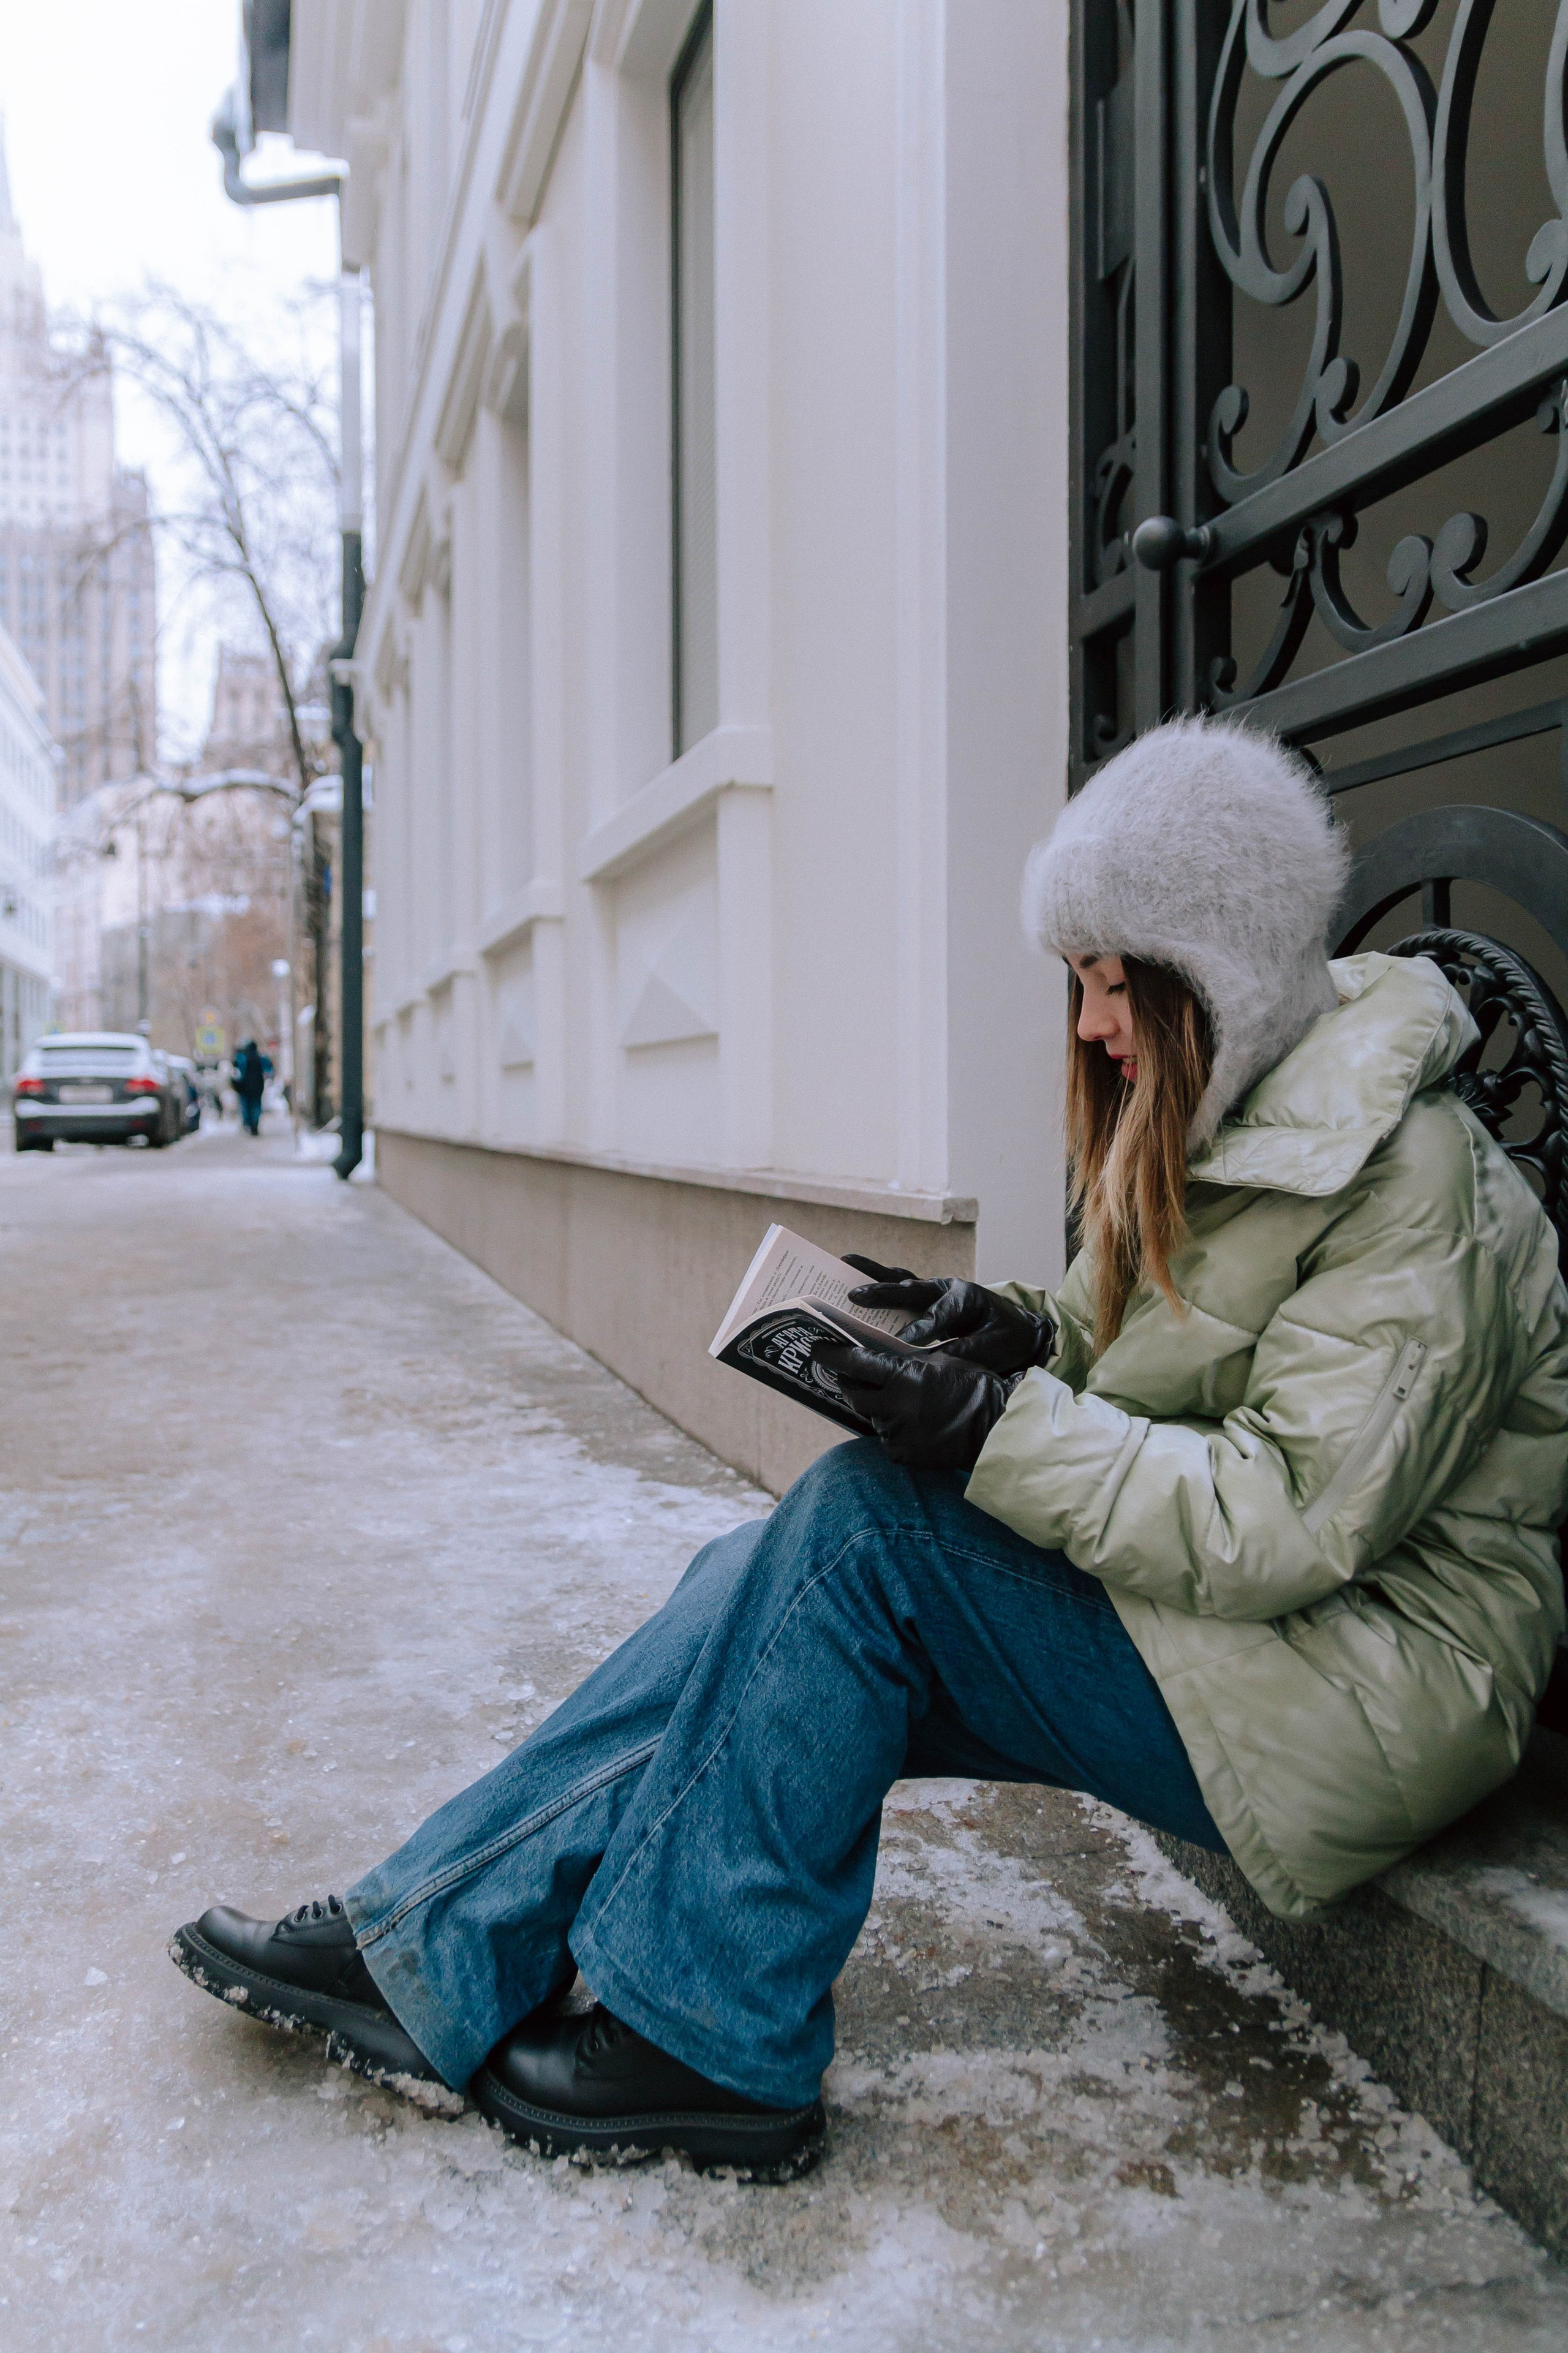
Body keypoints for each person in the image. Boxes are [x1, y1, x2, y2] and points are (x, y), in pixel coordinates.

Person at [171, 717, 1568, 2180]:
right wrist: (1012, 1333)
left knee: (860, 1538)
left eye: (1113, 983)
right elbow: (1172, 1367)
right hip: (1257, 1639)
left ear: (1215, 965)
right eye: (1081, 985)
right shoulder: (1243, 1112)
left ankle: (710, 2040)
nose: (1088, 1025)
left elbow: (1281, 1515)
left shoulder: (1415, 1185)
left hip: (1366, 1686)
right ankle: (428, 1950)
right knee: (758, 1576)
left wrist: (993, 1425)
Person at [232, 1038, 272, 1137]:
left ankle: (248, 1124)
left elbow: (237, 1073)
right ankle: (254, 1125)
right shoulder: (261, 1058)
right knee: (256, 1106)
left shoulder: (242, 1058)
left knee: (246, 1107)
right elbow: (269, 1069)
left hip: (245, 1088)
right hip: (258, 1087)